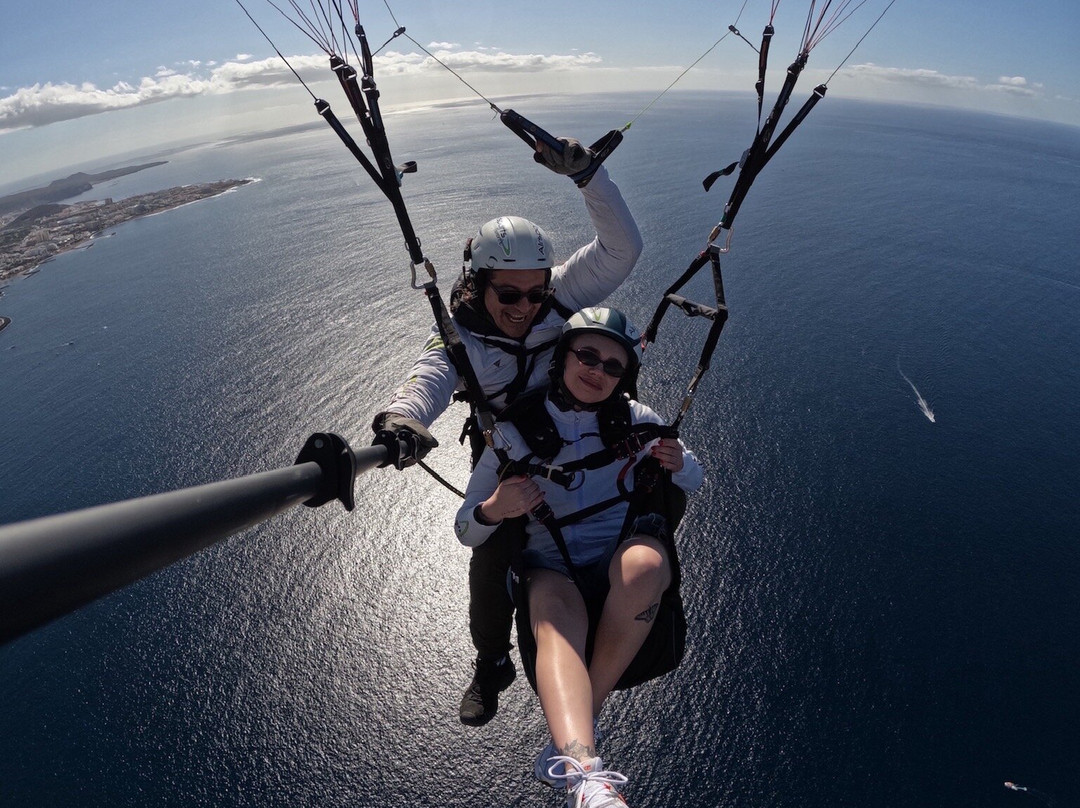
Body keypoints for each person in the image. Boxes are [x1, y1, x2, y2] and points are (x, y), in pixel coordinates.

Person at [372, 141, 644, 726]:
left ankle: (628, 601)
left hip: (580, 429)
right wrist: (404, 421)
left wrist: (589, 178)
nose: (526, 307)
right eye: (510, 294)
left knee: (647, 489)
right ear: (479, 285)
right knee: (492, 550)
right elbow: (428, 378)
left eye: (536, 291)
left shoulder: (555, 300)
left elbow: (621, 251)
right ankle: (492, 659)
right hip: (513, 451)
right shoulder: (460, 340)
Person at [454, 308, 703, 807]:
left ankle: (574, 739)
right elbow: (466, 528)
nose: (598, 372)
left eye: (613, 366)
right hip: (552, 566)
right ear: (561, 358)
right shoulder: (514, 433)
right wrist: (496, 508)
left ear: (625, 378)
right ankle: (586, 778)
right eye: (587, 356)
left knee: (647, 567)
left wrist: (680, 464)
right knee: (553, 613)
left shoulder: (638, 420)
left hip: (620, 556)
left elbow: (693, 478)